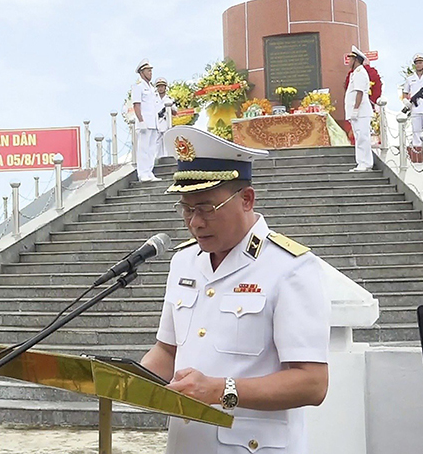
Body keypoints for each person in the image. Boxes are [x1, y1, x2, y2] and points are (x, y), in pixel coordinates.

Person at [141, 126, 330, 454]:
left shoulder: (291, 268)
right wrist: (124, 382)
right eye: (187, 209)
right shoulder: (184, 262)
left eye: (207, 208)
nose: (195, 223)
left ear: (246, 199)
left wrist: (220, 390)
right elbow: (167, 352)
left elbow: (312, 383)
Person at [344, 46, 374, 172]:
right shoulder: (355, 74)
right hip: (357, 112)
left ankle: (365, 163)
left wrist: (355, 109)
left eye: (351, 59)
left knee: (362, 137)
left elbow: (359, 93)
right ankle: (362, 162)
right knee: (359, 137)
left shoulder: (360, 73)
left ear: (356, 60)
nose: (349, 61)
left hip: (361, 112)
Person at [131, 59, 161, 182]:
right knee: (143, 149)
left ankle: (149, 172)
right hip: (144, 122)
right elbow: (136, 105)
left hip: (153, 122)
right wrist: (141, 120)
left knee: (152, 149)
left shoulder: (152, 88)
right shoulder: (138, 87)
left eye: (151, 71)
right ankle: (142, 173)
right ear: (141, 72)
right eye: (148, 71)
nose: (150, 73)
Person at [154, 77, 176, 160]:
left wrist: (170, 108)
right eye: (159, 86)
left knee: (166, 140)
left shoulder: (169, 99)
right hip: (156, 122)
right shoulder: (154, 99)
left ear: (165, 87)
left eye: (162, 86)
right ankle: (157, 158)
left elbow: (175, 112)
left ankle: (167, 157)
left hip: (166, 121)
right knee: (157, 142)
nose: (160, 88)